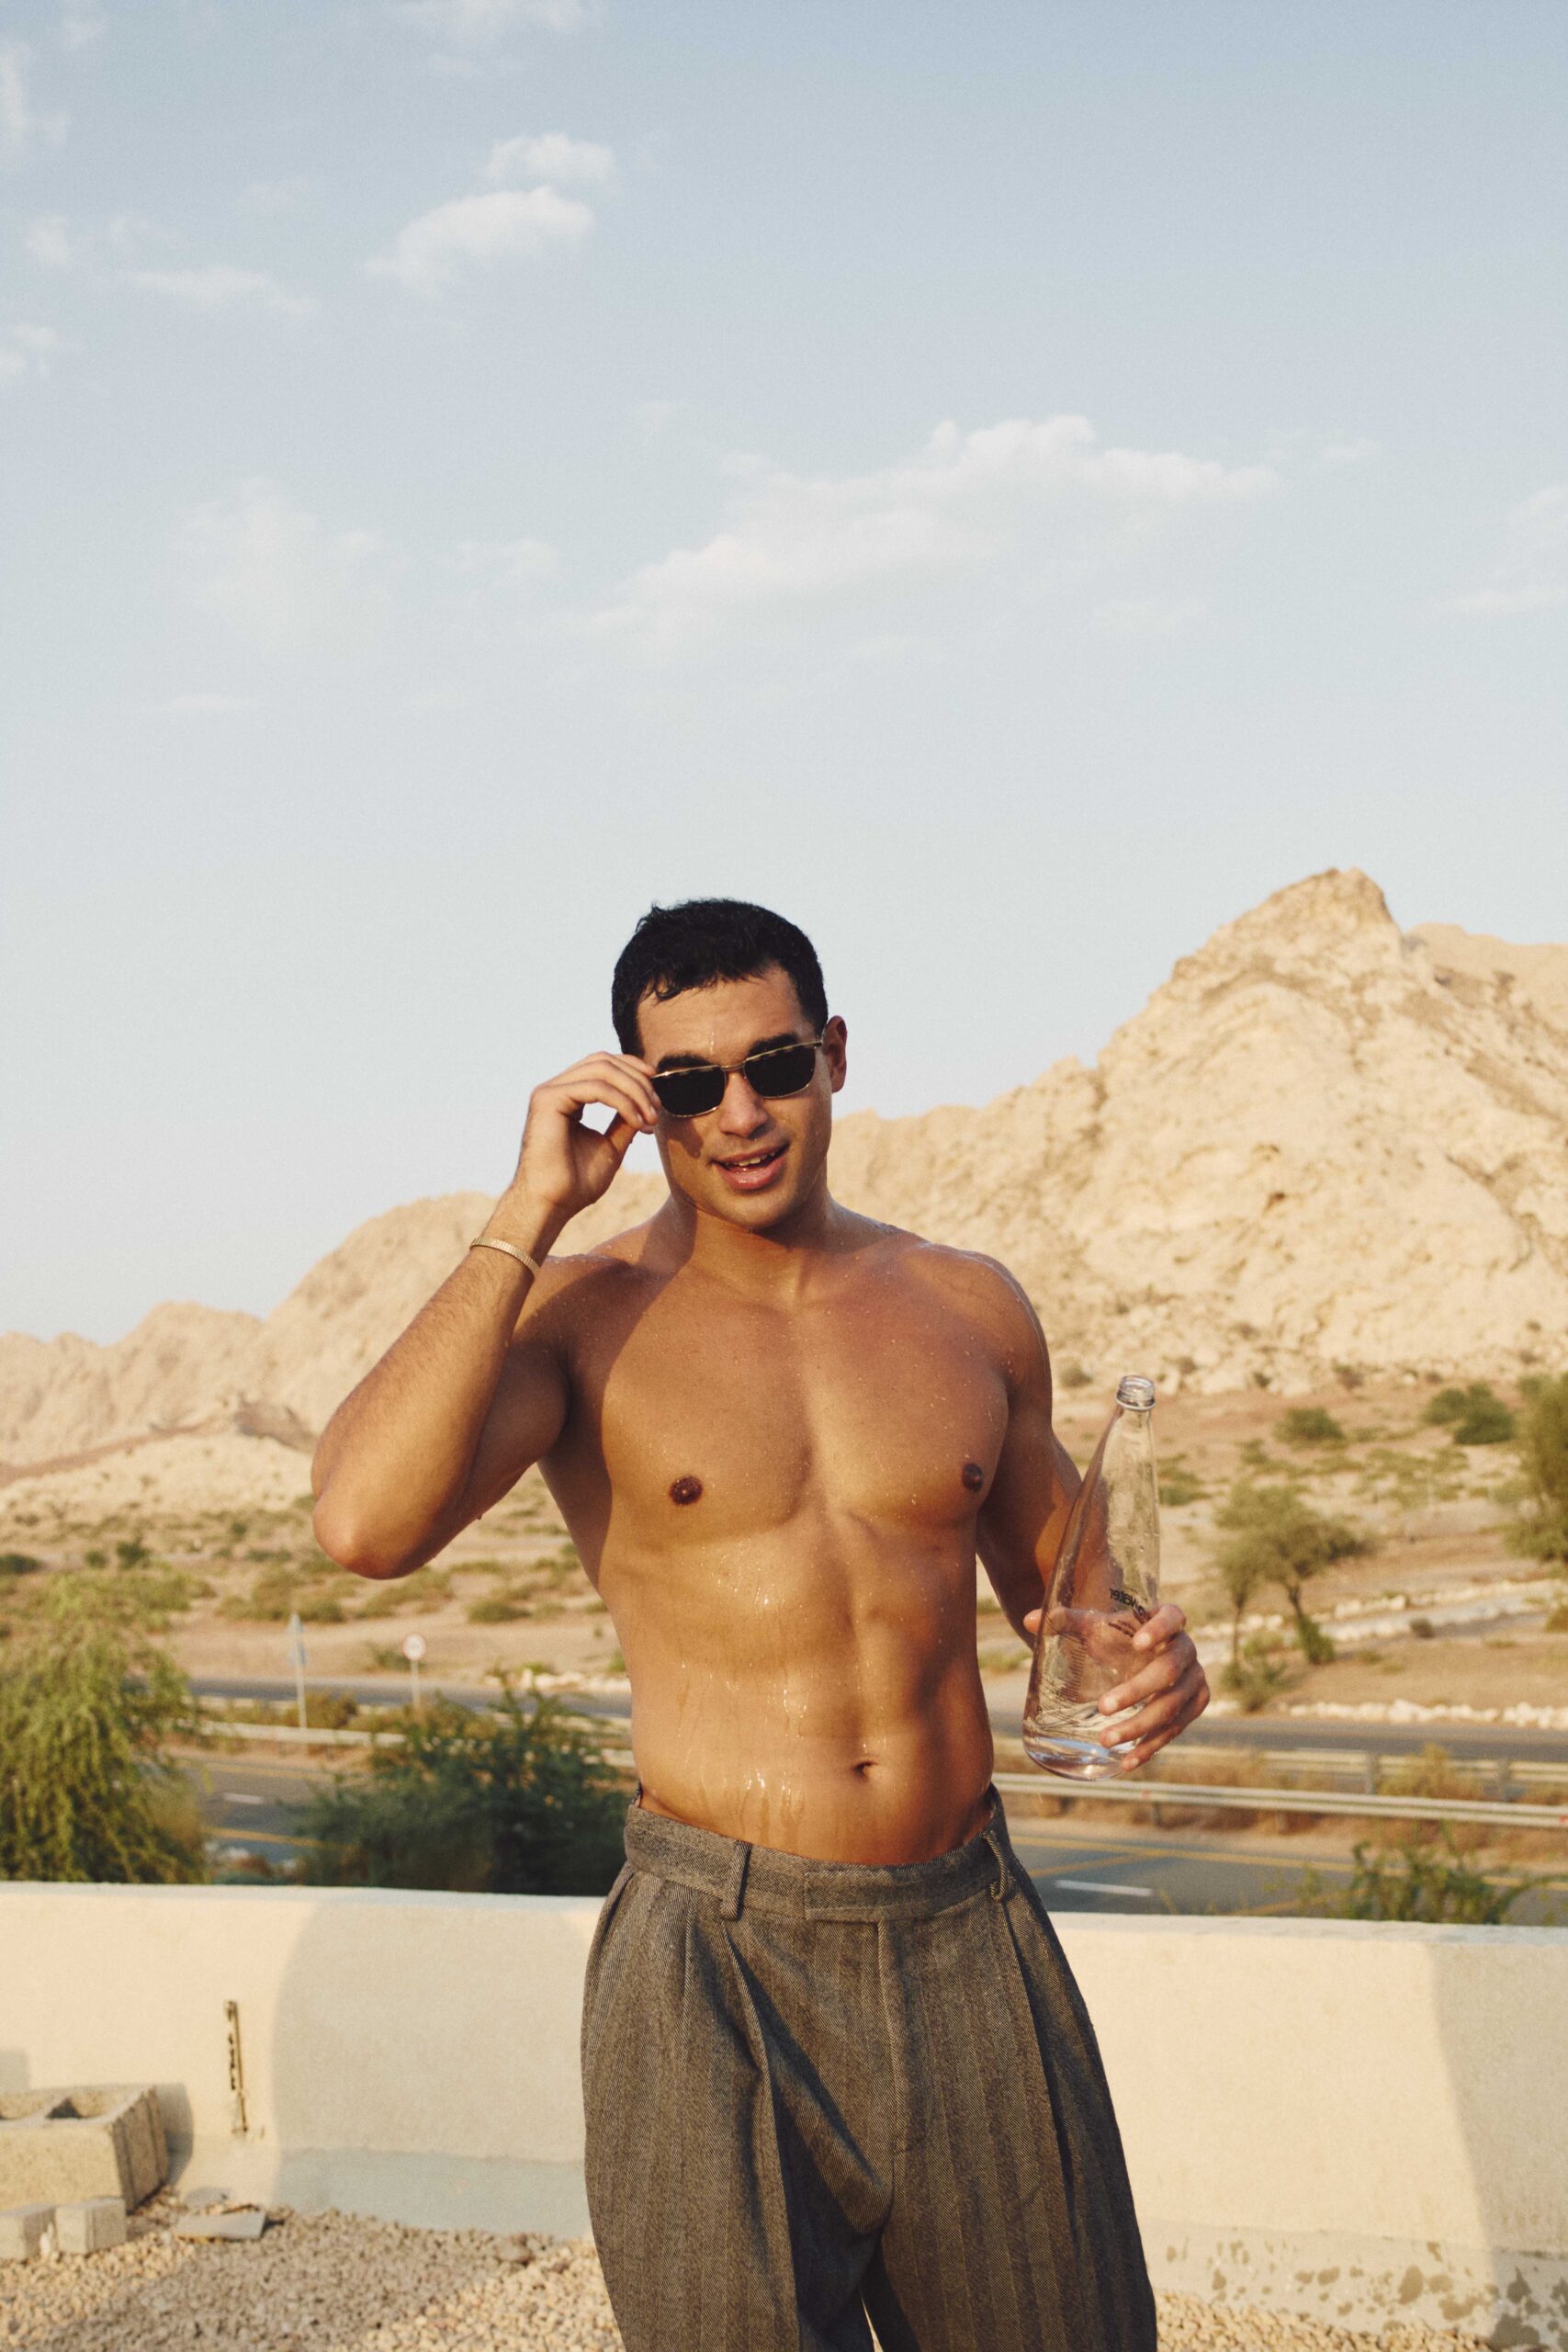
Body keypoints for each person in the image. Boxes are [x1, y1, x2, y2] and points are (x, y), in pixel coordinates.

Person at [312, 898, 1210, 2352]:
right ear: (637, 1099)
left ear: (833, 1055)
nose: (738, 1115)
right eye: (687, 1084)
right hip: (711, 1956)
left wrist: (1157, 1661)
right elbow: (363, 1525)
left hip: (965, 1923)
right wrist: (529, 1212)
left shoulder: (967, 1309)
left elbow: (1079, 1599)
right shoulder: (582, 1319)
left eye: (774, 1066)